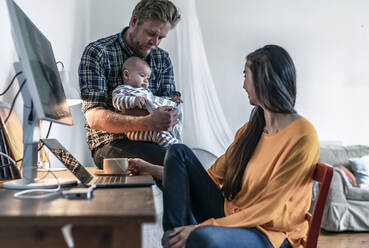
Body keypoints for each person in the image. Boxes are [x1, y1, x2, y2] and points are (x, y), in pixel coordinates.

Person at [128, 45, 320, 248]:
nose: (244, 85)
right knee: (178, 152)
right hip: (236, 215)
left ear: (264, 80)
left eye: (246, 75)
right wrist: (149, 168)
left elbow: (269, 209)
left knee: (202, 237)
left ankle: (177, 240)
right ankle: (175, 237)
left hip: (272, 234)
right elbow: (209, 178)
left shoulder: (302, 135)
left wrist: (207, 226)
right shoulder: (250, 130)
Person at [78, 0, 181, 169]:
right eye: (151, 34)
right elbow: (94, 118)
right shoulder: (98, 52)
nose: (155, 42)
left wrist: (132, 115)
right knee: (175, 165)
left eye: (161, 37)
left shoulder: (162, 59)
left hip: (157, 140)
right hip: (110, 143)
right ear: (134, 22)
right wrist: (148, 120)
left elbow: (169, 113)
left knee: (186, 160)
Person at [112, 56, 183, 148]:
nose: (146, 81)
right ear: (126, 75)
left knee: (168, 130)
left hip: (155, 124)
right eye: (142, 76)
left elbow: (155, 100)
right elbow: (117, 101)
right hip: (137, 130)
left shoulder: (146, 91)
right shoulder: (122, 89)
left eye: (147, 78)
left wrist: (169, 100)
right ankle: (178, 148)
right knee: (161, 136)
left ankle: (178, 145)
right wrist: (133, 100)